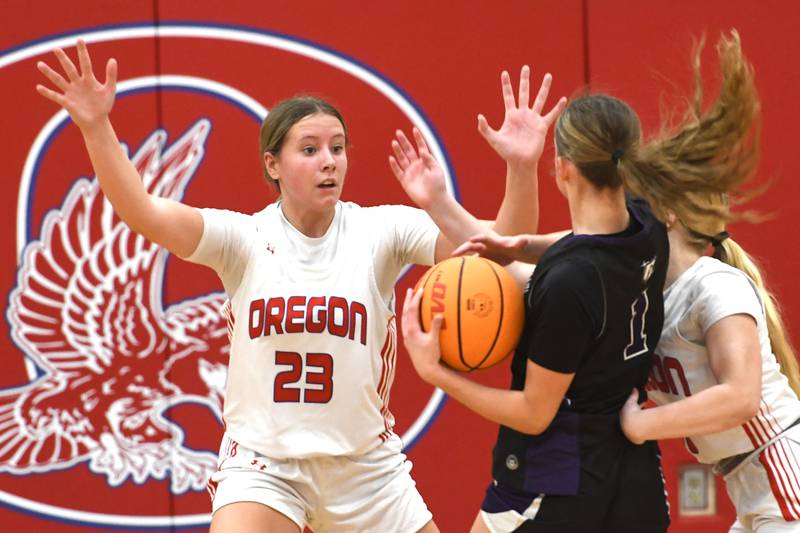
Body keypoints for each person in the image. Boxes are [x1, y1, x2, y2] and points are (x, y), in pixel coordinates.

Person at [34, 40, 564, 532]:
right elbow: (143, 212)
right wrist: (96, 127)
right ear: (274, 164)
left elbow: (497, 254)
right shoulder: (242, 239)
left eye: (337, 147)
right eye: (309, 149)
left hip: (364, 467)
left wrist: (521, 166)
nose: (328, 160)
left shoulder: (382, 230)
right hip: (265, 464)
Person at [401, 89, 677, 530]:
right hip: (631, 473)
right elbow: (580, 250)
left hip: (558, 477)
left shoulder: (569, 283)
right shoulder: (647, 225)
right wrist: (519, 242)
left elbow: (534, 411)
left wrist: (436, 374)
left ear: (562, 169)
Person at [617, 31, 800, 532]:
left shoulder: (714, 285)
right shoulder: (656, 295)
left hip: (787, 482)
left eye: (635, 206)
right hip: (755, 490)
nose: (626, 219)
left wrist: (641, 424)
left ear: (668, 215)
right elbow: (551, 252)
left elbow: (740, 396)